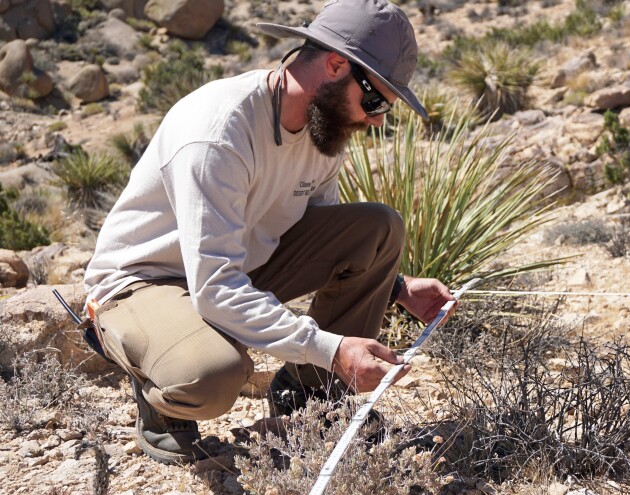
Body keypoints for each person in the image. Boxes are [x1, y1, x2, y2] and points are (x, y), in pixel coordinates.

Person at [83, 0, 457, 464]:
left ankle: (311, 394)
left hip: (232, 266)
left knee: (377, 229)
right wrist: (331, 347)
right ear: (336, 65)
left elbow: (319, 232)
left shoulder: (324, 128)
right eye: (376, 100)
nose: (378, 119)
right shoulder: (219, 132)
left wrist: (396, 287)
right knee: (212, 375)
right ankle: (160, 395)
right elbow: (215, 285)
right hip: (146, 282)